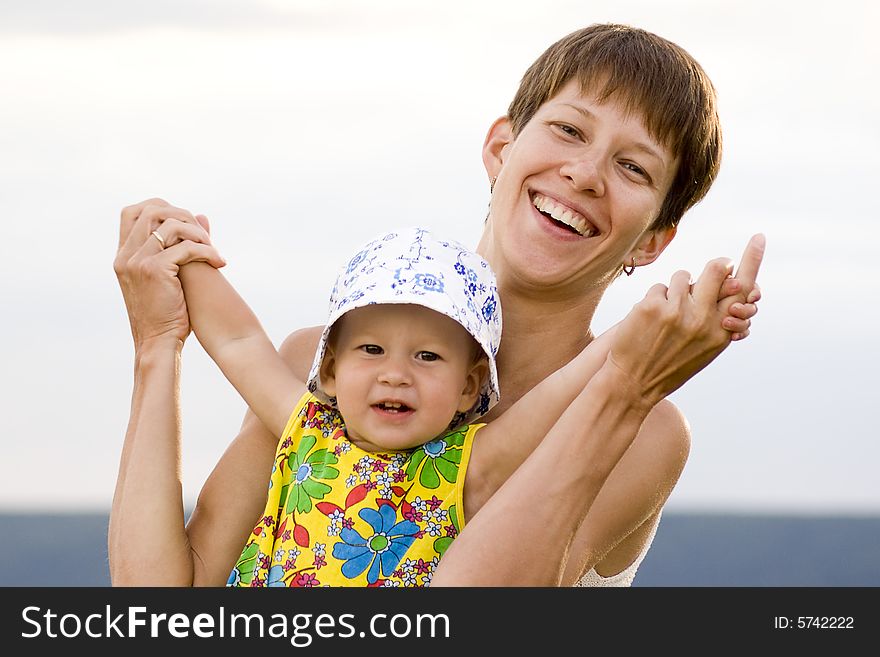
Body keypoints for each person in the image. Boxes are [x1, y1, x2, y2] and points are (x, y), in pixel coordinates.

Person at [109, 23, 764, 587]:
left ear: (654, 239)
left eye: (633, 168)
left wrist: (624, 380)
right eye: (568, 129)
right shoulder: (319, 364)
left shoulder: (642, 423)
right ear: (501, 148)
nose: (586, 174)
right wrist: (156, 346)